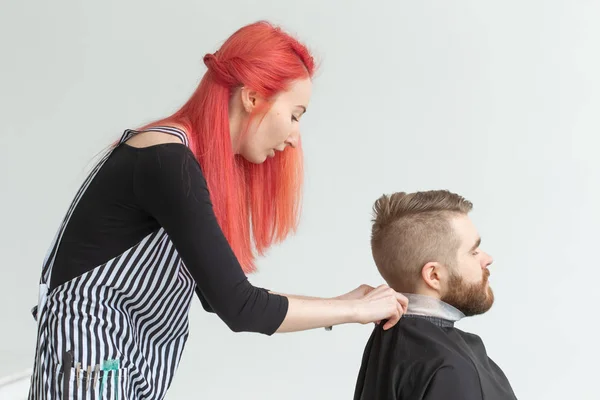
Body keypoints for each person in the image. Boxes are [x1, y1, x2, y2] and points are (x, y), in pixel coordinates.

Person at [27, 21, 408, 400]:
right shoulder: (167, 161)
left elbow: (220, 295)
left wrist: (345, 304)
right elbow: (239, 307)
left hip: (110, 359)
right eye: (295, 114)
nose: (294, 137)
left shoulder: (187, 162)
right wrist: (350, 312)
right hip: (88, 360)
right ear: (252, 97)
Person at [353, 190, 517, 400]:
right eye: (474, 251)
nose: (487, 258)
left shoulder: (387, 341)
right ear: (434, 275)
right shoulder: (451, 369)